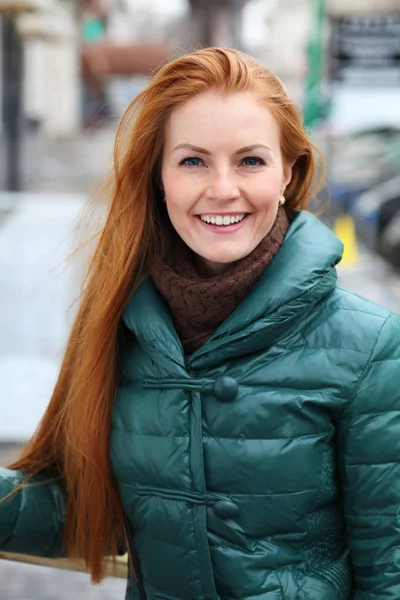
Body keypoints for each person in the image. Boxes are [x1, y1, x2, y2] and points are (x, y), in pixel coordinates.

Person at [1, 47, 400, 600]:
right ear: (158, 177)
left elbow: (390, 574)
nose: (222, 189)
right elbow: (92, 511)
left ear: (289, 171)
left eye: (250, 161)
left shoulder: (369, 344)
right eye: (192, 161)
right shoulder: (119, 323)